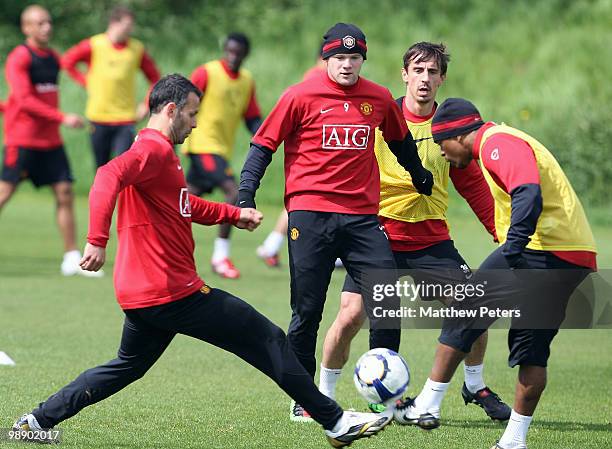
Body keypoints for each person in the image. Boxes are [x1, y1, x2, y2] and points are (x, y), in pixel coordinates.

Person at [12, 74, 391, 448]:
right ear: (172, 109)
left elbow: (184, 205)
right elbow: (106, 175)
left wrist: (232, 214)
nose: (195, 124)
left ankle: (35, 421)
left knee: (125, 367)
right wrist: (96, 240)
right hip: (172, 292)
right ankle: (335, 421)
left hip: (141, 295)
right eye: (192, 115)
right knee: (267, 337)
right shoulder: (153, 150)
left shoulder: (161, 157)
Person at [238, 23, 433, 421]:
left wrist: (418, 173)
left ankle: (389, 399)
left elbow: (399, 141)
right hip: (310, 215)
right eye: (339, 58)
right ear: (326, 59)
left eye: (354, 57)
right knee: (307, 309)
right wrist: (246, 193)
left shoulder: (377, 98)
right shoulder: (299, 95)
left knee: (386, 304)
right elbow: (263, 146)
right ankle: (303, 398)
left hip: (363, 219)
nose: (347, 65)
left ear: (363, 59)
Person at [319, 42, 510, 423]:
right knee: (353, 313)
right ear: (404, 74)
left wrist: (501, 232)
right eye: (417, 71)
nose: (424, 79)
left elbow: (472, 185)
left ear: (442, 79)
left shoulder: (449, 126)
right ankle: (318, 396)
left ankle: (474, 383)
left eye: (432, 72)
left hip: (431, 239)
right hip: (377, 235)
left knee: (474, 303)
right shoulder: (377, 116)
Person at [393, 98, 597, 449]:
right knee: (531, 352)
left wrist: (513, 249)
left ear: (458, 136)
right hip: (572, 256)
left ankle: (428, 402)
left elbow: (527, 192)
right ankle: (514, 440)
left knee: (463, 307)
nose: (443, 154)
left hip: (539, 250)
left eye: (442, 145)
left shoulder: (496, 143)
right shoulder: (501, 140)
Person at [0, 4, 99, 278]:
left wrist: (92, 78)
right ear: (26, 28)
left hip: (51, 143)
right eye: (40, 23)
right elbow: (24, 100)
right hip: (22, 141)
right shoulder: (19, 58)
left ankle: (71, 257)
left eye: (48, 22)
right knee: (4, 194)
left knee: (65, 193)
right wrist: (62, 117)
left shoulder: (53, 57)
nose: (47, 27)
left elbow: (74, 65)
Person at [182, 32, 263, 279]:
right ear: (224, 49)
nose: (232, 56)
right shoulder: (206, 73)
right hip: (202, 145)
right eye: (229, 50)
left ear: (245, 54)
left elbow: (252, 118)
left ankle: (152, 239)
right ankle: (220, 257)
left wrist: (270, 136)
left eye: (238, 52)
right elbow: (183, 104)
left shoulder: (246, 81)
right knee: (234, 192)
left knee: (180, 201)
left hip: (219, 149)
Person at [62, 5, 160, 169]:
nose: (130, 31)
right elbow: (67, 61)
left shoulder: (136, 49)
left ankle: (123, 196)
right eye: (126, 26)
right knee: (101, 168)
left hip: (125, 118)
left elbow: (155, 77)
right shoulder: (94, 44)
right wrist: (86, 81)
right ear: (114, 23)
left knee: (124, 167)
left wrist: (146, 103)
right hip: (98, 117)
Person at [256, 44, 325, 268]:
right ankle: (271, 246)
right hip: (314, 152)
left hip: (313, 151)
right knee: (304, 203)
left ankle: (271, 246)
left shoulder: (314, 75)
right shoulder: (317, 77)